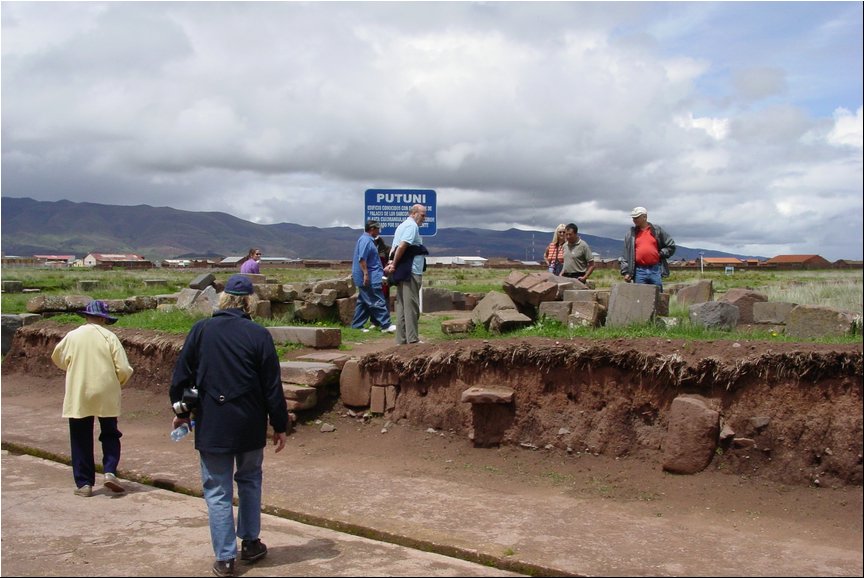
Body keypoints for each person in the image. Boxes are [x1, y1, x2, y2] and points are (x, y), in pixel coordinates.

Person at [170, 275, 289, 577]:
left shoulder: (201, 331)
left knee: (217, 489)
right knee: (249, 481)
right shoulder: (258, 335)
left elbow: (181, 378)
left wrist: (181, 412)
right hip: (249, 424)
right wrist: (279, 424)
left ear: (223, 299)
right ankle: (250, 543)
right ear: (249, 302)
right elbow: (272, 387)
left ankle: (225, 558)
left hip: (213, 424)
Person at [51, 299, 134, 498]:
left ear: (86, 316)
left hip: (79, 390)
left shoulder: (73, 336)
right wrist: (118, 382)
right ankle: (110, 471)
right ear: (104, 319)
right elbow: (123, 368)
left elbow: (58, 358)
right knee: (110, 432)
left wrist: (74, 367)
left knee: (80, 437)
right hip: (106, 390)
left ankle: (84, 483)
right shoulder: (109, 337)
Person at [384, 203, 427, 345]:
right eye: (422, 215)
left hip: (403, 271)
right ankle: (412, 340)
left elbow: (394, 247)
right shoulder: (411, 226)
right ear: (414, 213)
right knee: (411, 306)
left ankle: (401, 340)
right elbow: (402, 246)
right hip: (411, 271)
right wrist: (394, 264)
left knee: (402, 305)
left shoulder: (401, 226)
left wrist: (391, 263)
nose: (424, 218)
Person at [351, 220, 396, 333]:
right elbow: (362, 259)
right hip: (369, 277)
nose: (379, 231)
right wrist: (366, 274)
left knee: (363, 302)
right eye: (377, 229)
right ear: (372, 229)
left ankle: (357, 325)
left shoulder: (367, 240)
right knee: (376, 299)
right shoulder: (366, 241)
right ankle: (386, 325)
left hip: (371, 275)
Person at [620, 206, 676, 291]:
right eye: (633, 218)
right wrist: (626, 272)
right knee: (640, 296)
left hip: (655, 269)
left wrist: (660, 254)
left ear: (645, 217)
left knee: (657, 295)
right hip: (639, 270)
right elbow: (626, 254)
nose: (634, 219)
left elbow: (671, 245)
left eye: (637, 217)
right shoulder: (631, 234)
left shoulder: (657, 230)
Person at [374, 235, 391, 304]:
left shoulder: (387, 250)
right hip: (374, 276)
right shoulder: (368, 249)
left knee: (384, 294)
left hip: (383, 276)